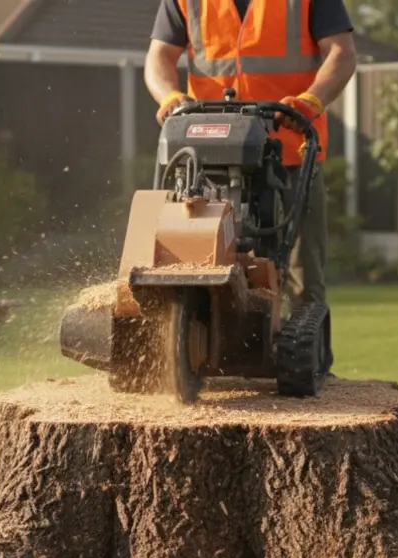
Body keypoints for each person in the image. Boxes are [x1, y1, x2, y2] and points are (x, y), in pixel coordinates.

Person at [146, 0, 357, 325]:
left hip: (289, 146)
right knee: (193, 256)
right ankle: (199, 340)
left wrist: (310, 102)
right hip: (208, 156)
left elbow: (341, 54)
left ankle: (306, 356)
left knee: (303, 269)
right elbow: (159, 56)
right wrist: (170, 97)